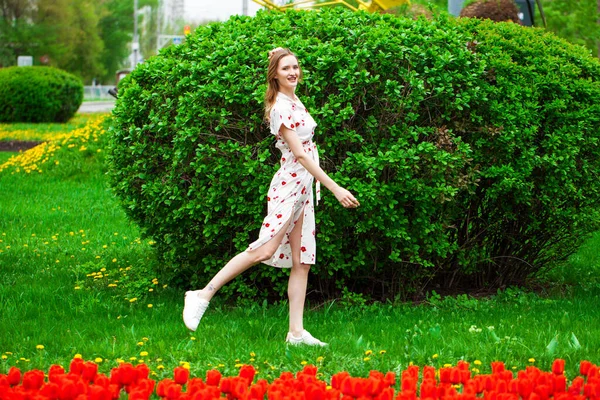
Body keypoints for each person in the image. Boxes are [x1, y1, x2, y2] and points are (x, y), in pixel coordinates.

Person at [182, 47, 360, 346]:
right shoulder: (280, 107)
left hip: (304, 186)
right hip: (290, 185)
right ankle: (202, 294)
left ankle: (296, 333)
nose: (293, 72)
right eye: (286, 68)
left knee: (302, 260)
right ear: (274, 76)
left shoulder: (294, 98)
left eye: (296, 67)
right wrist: (335, 187)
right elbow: (301, 155)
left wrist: (278, 52)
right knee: (264, 249)